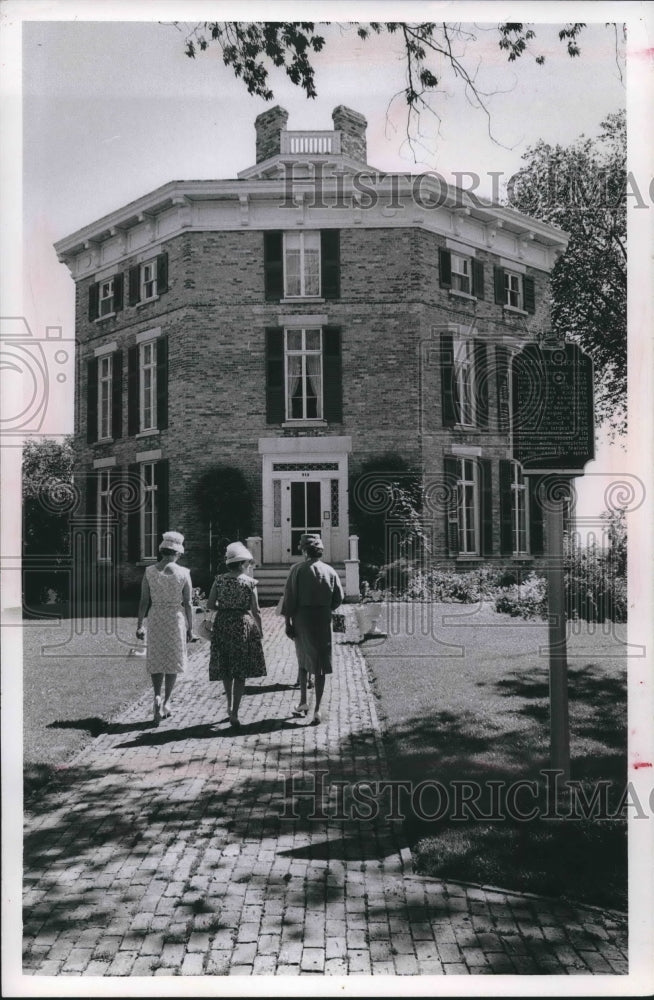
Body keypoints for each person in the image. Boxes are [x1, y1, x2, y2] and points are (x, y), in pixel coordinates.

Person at [282, 533, 344, 725]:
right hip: (323, 618)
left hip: (302, 618)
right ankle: (317, 708)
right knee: (320, 664)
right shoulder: (330, 571)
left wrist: (288, 623)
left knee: (303, 659)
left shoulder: (297, 569)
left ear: (303, 550)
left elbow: (289, 597)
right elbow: (338, 597)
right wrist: (326, 608)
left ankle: (303, 701)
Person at [206, 541, 266, 728]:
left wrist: (225, 607)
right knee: (240, 669)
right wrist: (260, 629)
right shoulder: (249, 583)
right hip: (242, 624)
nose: (248, 567)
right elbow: (255, 610)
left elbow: (209, 605)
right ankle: (235, 712)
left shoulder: (219, 580)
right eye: (247, 564)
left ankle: (229, 704)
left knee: (226, 665)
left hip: (223, 623)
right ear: (241, 564)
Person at [136, 531, 194, 724]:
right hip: (174, 617)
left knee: (157, 657)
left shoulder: (149, 571)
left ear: (162, 551)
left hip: (156, 617)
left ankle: (156, 695)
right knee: (172, 660)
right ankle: (167, 701)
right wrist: (190, 628)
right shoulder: (184, 573)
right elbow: (187, 602)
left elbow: (144, 600)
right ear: (177, 553)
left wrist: (139, 625)